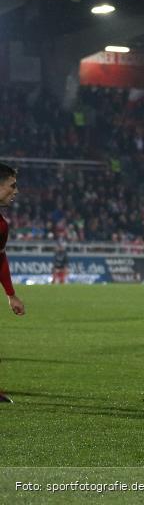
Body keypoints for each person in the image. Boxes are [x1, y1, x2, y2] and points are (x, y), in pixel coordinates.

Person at [0, 163, 25, 404]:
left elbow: (0, 257)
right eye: (12, 185)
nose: (16, 191)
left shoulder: (2, 225)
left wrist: (11, 294)